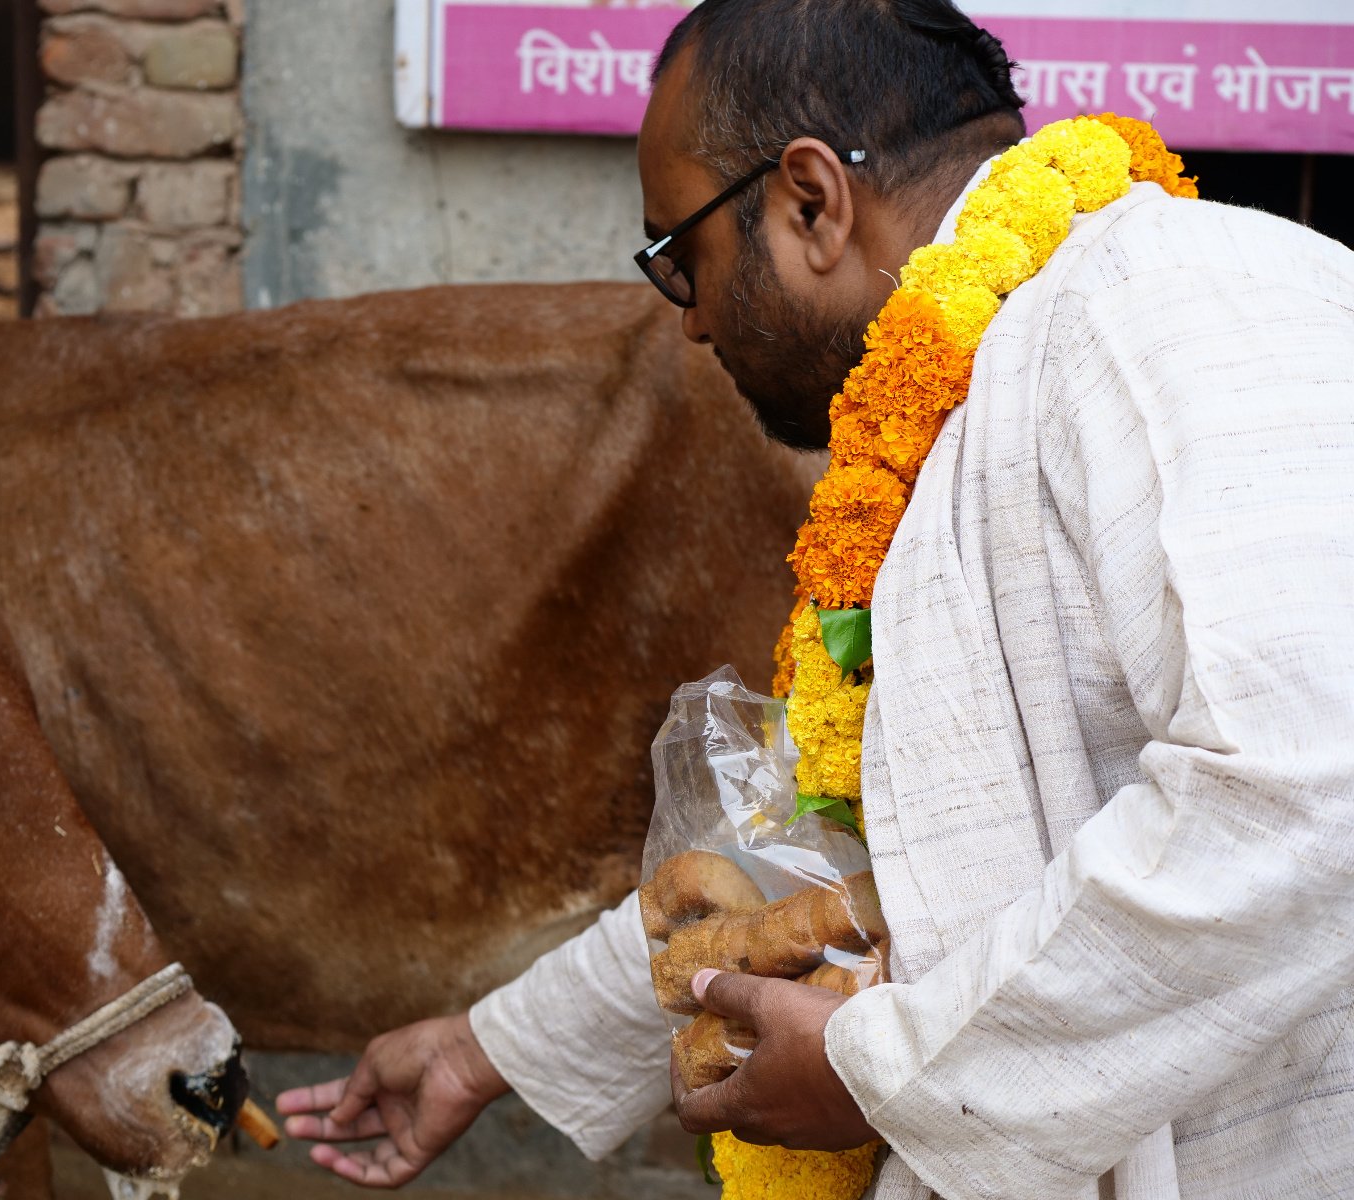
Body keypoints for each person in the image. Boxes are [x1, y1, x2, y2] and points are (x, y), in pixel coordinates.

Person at [277, 1, 1354, 1196]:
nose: (686, 319)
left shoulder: (1181, 298)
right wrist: (493, 1046)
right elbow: (855, 855)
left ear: (808, 203)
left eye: (677, 252)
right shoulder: (968, 392)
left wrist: (884, 1073)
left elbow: (1310, 781)